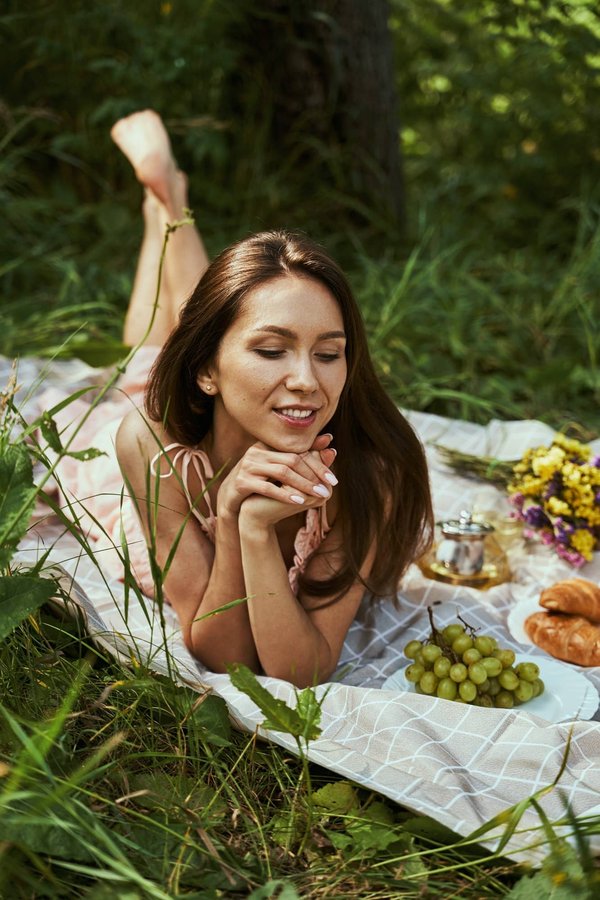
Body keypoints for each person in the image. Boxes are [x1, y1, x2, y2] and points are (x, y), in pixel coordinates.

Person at [80, 110, 434, 687]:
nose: (307, 381)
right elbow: (221, 653)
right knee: (145, 351)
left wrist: (252, 530)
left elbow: (300, 670)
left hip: (213, 385)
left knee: (173, 336)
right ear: (206, 374)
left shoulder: (369, 474)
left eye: (328, 353)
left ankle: (166, 210)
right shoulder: (151, 443)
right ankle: (169, 209)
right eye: (273, 352)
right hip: (181, 412)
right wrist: (223, 512)